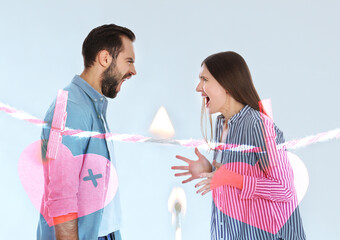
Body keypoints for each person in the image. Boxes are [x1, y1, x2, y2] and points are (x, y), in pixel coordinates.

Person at [172, 51, 305, 240]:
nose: (198, 88)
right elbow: (236, 176)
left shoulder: (261, 125)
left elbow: (284, 189)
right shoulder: (222, 124)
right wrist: (210, 170)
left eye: (204, 80)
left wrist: (233, 179)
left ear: (226, 84)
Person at [37, 24, 137, 240]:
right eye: (129, 61)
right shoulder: (71, 108)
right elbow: (62, 198)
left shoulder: (93, 107)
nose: (133, 71)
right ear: (105, 58)